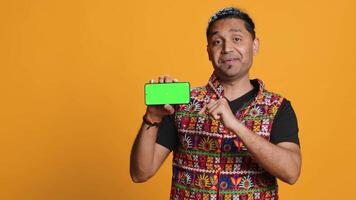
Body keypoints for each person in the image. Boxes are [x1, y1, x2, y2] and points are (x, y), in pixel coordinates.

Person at [130, 7, 301, 200]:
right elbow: (140, 173)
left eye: (236, 39)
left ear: (254, 45)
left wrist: (236, 126)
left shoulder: (277, 107)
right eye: (217, 42)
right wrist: (153, 116)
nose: (227, 48)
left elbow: (291, 172)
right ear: (209, 52)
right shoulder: (182, 104)